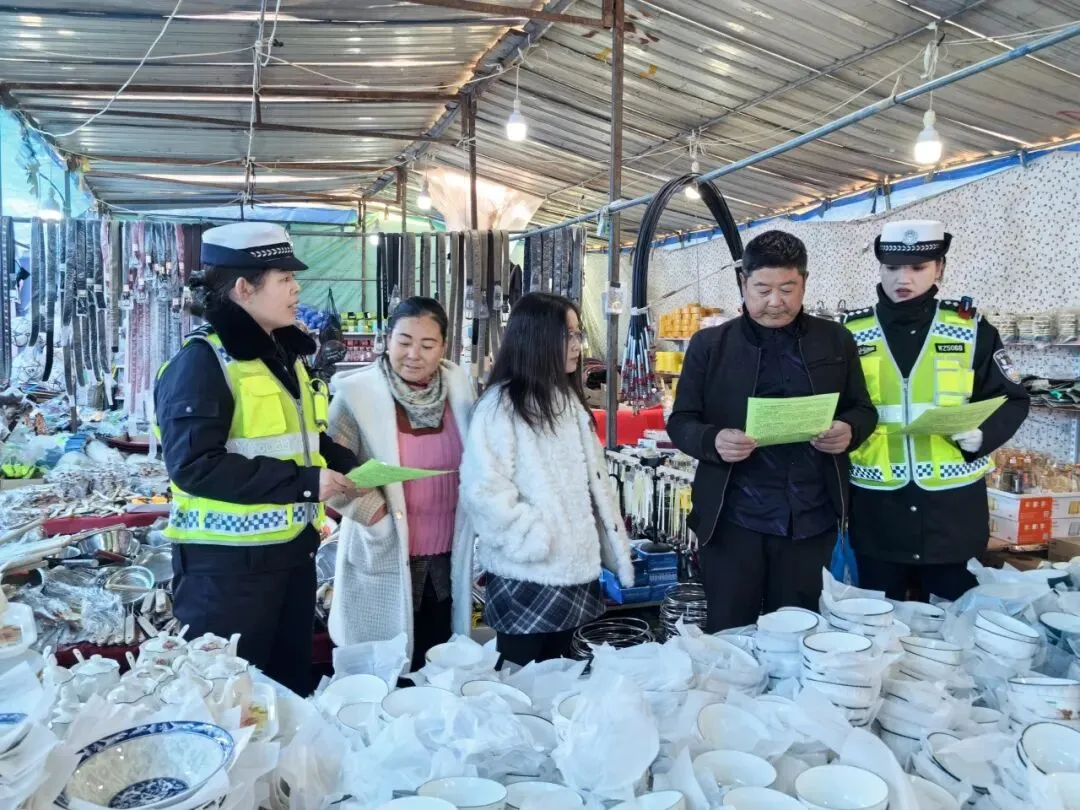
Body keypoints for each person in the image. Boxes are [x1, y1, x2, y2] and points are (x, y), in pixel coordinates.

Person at [154, 222, 364, 695]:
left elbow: (303, 437)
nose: (296, 289)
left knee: (287, 694)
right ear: (244, 288)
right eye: (284, 278)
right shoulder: (203, 362)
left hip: (291, 557)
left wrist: (347, 463)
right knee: (229, 700)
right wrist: (306, 482)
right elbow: (194, 466)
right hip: (226, 576)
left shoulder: (283, 355)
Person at [667, 230, 878, 631]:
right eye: (762, 290)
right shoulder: (710, 345)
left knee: (798, 630)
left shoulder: (836, 340)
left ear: (804, 283)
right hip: (733, 519)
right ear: (743, 283)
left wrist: (849, 429)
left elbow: (863, 409)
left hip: (810, 519)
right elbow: (681, 422)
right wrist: (713, 441)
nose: (776, 302)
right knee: (730, 631)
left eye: (787, 289)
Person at [844, 220, 1029, 601]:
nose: (903, 279)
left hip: (952, 514)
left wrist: (984, 434)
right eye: (892, 267)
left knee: (955, 621)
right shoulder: (851, 332)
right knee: (879, 620)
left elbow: (1013, 397)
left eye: (918, 267)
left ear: (939, 268)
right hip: (879, 512)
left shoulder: (971, 329)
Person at [460, 292, 634, 667]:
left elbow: (592, 484)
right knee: (520, 680)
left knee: (568, 677)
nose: (577, 345)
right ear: (537, 338)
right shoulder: (501, 406)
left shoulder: (568, 401)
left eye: (577, 334)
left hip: (577, 570)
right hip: (526, 573)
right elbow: (483, 491)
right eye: (567, 335)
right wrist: (532, 540)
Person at [327, 297, 475, 672]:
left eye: (427, 345)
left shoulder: (459, 389)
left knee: (439, 664)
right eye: (404, 342)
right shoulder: (356, 396)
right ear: (387, 339)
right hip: (384, 552)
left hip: (446, 559)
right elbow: (333, 472)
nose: (414, 354)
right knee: (386, 670)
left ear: (444, 346)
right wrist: (375, 517)